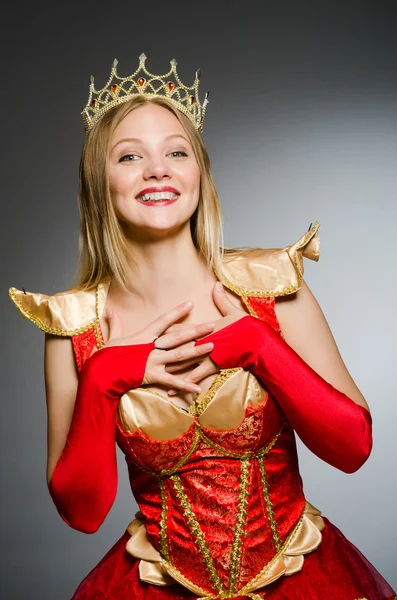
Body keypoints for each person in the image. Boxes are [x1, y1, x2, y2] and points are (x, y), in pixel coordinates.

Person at [9, 54, 396, 600]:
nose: (157, 169)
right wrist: (104, 375)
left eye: (176, 151)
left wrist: (260, 345)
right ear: (101, 183)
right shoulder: (75, 327)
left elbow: (353, 448)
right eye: (129, 157)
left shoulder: (269, 287)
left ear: (198, 172)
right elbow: (82, 512)